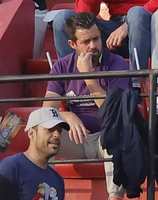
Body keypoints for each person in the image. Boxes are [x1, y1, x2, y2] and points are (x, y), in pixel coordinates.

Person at [44, 11, 131, 196]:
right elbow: (47, 111)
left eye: (96, 39)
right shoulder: (62, 66)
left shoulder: (116, 64)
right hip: (77, 139)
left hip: (106, 138)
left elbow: (114, 112)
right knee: (43, 130)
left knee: (118, 132)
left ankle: (115, 197)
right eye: (86, 42)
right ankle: (46, 195)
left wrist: (88, 77)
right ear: (72, 44)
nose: (93, 46)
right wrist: (67, 116)